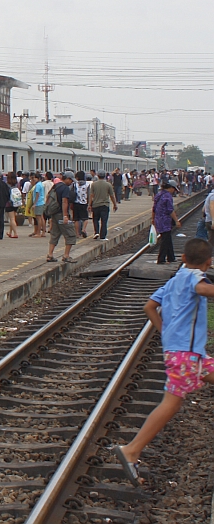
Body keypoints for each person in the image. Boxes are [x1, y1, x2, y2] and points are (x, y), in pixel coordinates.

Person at [114, 239, 214, 485]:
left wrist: (165, 331)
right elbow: (202, 290)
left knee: (173, 402)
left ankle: (133, 449)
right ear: (208, 263)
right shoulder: (193, 276)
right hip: (185, 355)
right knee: (171, 404)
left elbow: (149, 307)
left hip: (190, 354)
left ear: (182, 257)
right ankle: (132, 449)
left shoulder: (173, 281)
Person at [45, 172, 78, 264]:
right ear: (67, 178)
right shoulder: (65, 188)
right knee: (71, 234)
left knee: (55, 233)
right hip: (61, 214)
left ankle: (50, 255)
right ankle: (66, 256)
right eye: (70, 180)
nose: (71, 182)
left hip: (54, 213)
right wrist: (65, 216)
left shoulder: (56, 186)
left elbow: (48, 197)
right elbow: (64, 202)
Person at [152, 179, 181, 264]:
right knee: (165, 240)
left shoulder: (159, 194)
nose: (174, 191)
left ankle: (171, 257)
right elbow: (170, 210)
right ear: (171, 188)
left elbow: (154, 208)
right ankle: (161, 259)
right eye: (174, 189)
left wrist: (153, 219)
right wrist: (176, 221)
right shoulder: (168, 196)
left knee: (167, 238)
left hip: (158, 219)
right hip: (165, 220)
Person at [89, 171, 118, 241]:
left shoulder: (93, 184)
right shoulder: (108, 185)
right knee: (104, 221)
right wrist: (115, 204)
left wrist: (89, 204)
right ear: (104, 176)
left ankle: (96, 232)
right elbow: (112, 196)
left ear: (98, 175)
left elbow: (91, 195)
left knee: (95, 219)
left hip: (95, 205)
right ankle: (103, 236)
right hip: (105, 205)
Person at [72, 171, 91, 239]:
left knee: (76, 219)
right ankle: (83, 229)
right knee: (85, 218)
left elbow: (73, 193)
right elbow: (89, 194)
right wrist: (89, 204)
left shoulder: (75, 184)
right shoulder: (87, 184)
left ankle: (77, 234)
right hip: (84, 203)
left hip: (76, 203)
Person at [29, 173, 46, 238]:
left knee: (38, 218)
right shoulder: (41, 184)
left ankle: (38, 232)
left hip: (38, 203)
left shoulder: (38, 185)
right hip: (41, 202)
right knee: (41, 218)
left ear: (38, 178)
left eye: (35, 178)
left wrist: (34, 204)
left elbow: (37, 194)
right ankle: (43, 232)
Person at [4, 172, 21, 239]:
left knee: (12, 219)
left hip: (9, 203)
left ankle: (15, 233)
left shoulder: (7, 185)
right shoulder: (17, 184)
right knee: (13, 218)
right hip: (16, 202)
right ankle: (10, 232)